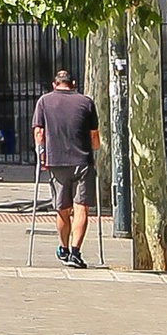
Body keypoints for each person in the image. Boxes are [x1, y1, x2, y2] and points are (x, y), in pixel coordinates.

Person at [32, 66, 101, 265]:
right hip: (83, 161)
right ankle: (75, 252)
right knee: (82, 208)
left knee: (62, 209)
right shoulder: (86, 102)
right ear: (73, 84)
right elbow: (94, 136)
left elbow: (39, 133)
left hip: (57, 161)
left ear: (54, 85)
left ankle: (63, 248)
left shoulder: (44, 101)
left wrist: (41, 155)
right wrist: (95, 149)